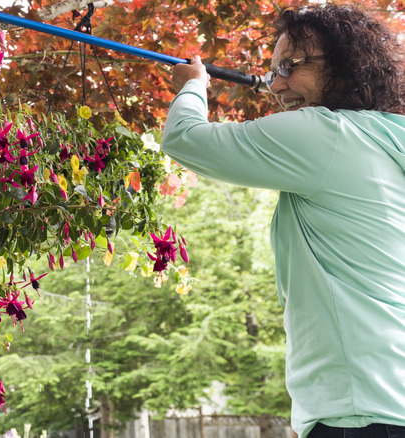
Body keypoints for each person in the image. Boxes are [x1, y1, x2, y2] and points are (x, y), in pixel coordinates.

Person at [162, 4, 405, 438]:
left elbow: (185, 140)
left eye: (289, 67)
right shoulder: (387, 142)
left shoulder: (327, 135)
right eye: (273, 71)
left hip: (359, 411)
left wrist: (192, 86)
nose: (276, 85)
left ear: (346, 64)